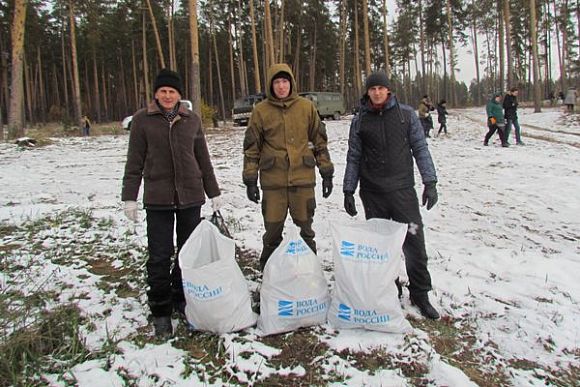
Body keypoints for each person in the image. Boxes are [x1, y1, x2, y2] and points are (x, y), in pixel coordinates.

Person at [121, 68, 222, 338]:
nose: (167, 96)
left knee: (187, 254)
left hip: (190, 197)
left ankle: (181, 297)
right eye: (163, 91)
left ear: (179, 94)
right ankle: (161, 310)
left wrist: (214, 192)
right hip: (158, 199)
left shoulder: (192, 120)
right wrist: (129, 197)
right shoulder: (143, 121)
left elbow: (203, 159)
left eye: (172, 91)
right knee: (159, 256)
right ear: (156, 93)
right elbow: (134, 162)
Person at [342, 71, 440, 320]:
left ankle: (420, 293)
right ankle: (389, 289)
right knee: (381, 247)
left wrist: (430, 181)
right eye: (372, 88)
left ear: (388, 90)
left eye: (381, 88)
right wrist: (348, 190)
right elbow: (353, 156)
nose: (376, 92)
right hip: (373, 193)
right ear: (367, 92)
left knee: (414, 243)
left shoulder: (406, 115)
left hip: (402, 192)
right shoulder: (360, 120)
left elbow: (420, 148)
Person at [243, 63, 334, 271]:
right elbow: (251, 148)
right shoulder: (260, 111)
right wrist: (250, 179)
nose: (281, 86)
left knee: (305, 230)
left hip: (303, 180)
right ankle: (269, 276)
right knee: (272, 232)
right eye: (277, 82)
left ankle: (311, 274)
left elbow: (319, 142)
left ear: (291, 83)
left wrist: (326, 171)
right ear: (270, 85)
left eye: (285, 81)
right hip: (273, 182)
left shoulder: (306, 107)